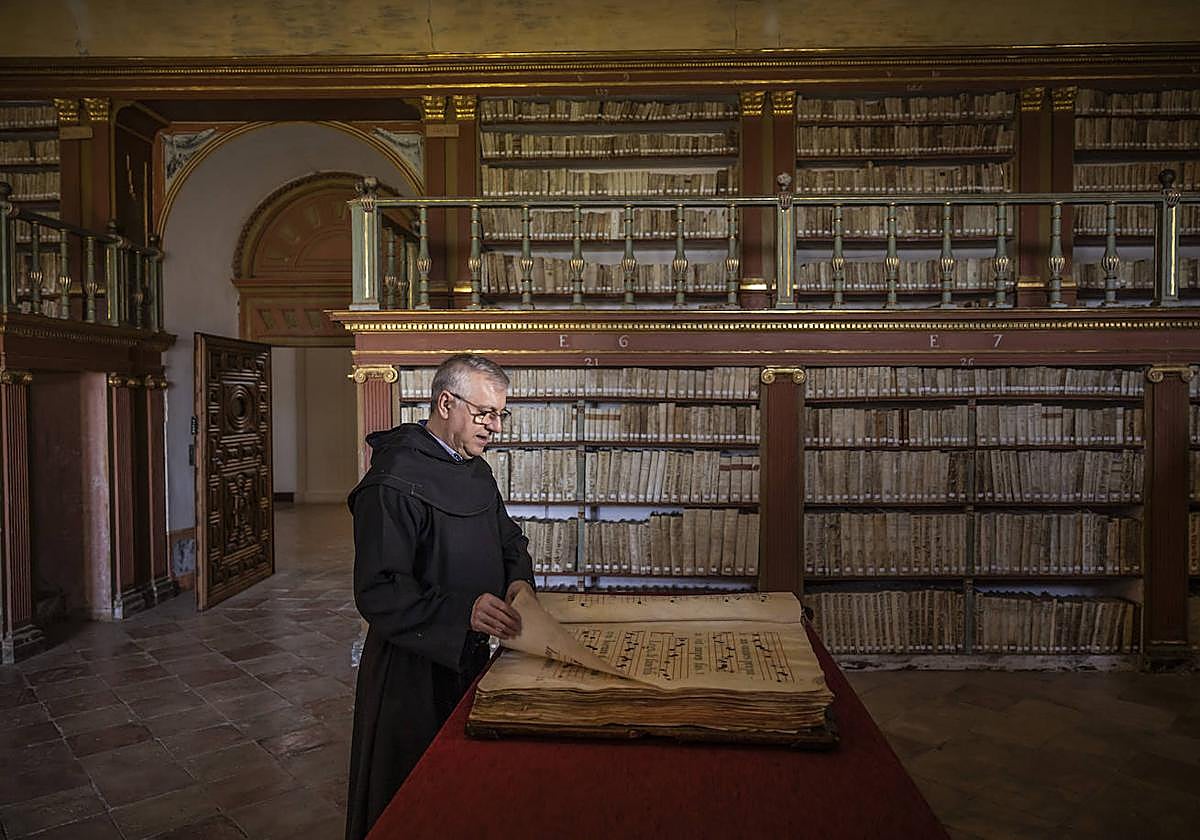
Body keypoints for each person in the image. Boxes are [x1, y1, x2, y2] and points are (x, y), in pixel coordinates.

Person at [345, 353, 535, 840]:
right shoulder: (392, 481)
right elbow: (379, 590)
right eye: (484, 413)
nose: (495, 426)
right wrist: (463, 612)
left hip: (470, 655)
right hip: (409, 671)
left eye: (500, 415)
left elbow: (509, 539)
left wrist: (517, 584)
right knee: (411, 796)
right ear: (446, 402)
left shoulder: (475, 469)